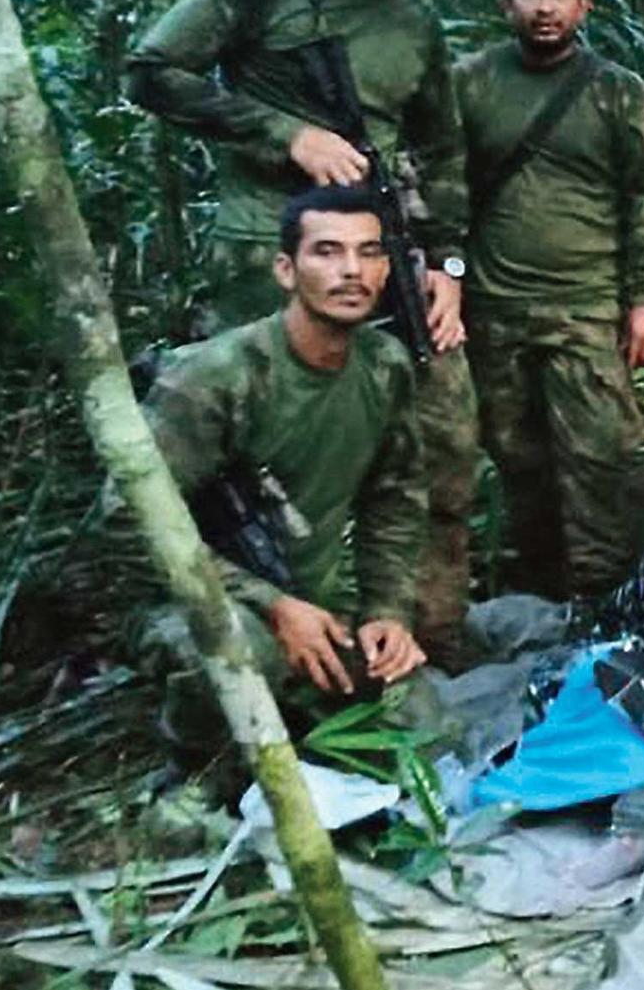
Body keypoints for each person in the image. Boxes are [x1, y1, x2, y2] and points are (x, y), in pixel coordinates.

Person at [130, 0, 481, 661]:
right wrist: (286, 134)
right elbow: (151, 70)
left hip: (387, 256)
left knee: (440, 438)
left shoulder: (414, 24)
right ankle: (265, 635)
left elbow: (444, 155)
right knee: (259, 456)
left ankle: (419, 634)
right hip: (267, 258)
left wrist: (450, 269)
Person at [142, 188, 430, 704]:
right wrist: (271, 605)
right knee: (245, 657)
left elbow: (396, 496)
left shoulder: (386, 366)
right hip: (186, 595)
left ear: (387, 269)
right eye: (327, 251)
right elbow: (128, 522)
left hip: (307, 598)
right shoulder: (216, 378)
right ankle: (197, 771)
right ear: (285, 270)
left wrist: (387, 611)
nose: (351, 271)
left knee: (414, 711)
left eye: (368, 253)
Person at [455, 0, 644, 602]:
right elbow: (440, 188)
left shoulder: (616, 91)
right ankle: (541, 598)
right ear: (506, 2)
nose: (544, 8)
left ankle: (606, 599)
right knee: (521, 463)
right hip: (494, 309)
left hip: (588, 306)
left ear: (583, 6)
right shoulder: (469, 83)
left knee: (602, 461)